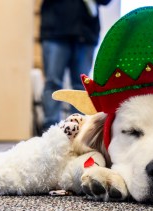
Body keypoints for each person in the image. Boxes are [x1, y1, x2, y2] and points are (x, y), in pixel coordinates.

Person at [40, 0, 111, 132]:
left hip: (86, 32)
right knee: (53, 84)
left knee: (81, 86)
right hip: (55, 29)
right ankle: (49, 131)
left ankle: (79, 130)